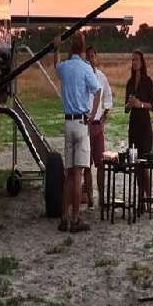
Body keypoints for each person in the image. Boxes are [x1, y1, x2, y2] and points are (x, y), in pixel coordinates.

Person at [54, 32, 101, 233]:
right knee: (79, 174)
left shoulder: (64, 67)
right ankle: (75, 220)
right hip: (81, 124)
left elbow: (56, 66)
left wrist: (56, 48)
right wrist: (91, 114)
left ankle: (63, 219)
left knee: (69, 174)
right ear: (82, 48)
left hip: (67, 124)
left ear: (70, 48)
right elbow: (97, 90)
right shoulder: (85, 68)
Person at [125, 49, 153, 212]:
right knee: (136, 165)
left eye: (136, 60)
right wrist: (129, 105)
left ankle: (148, 200)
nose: (134, 62)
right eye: (132, 60)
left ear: (142, 62)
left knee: (145, 166)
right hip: (133, 128)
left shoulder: (147, 81)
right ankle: (140, 202)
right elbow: (125, 109)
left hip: (145, 128)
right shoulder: (130, 82)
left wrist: (140, 104)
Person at [85, 45, 113, 209]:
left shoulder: (102, 77)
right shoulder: (83, 77)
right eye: (87, 57)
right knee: (86, 165)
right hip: (86, 126)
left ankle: (102, 197)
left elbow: (108, 95)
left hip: (98, 126)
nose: (90, 59)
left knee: (101, 164)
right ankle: (89, 198)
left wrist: (105, 114)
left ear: (97, 58)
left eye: (92, 56)